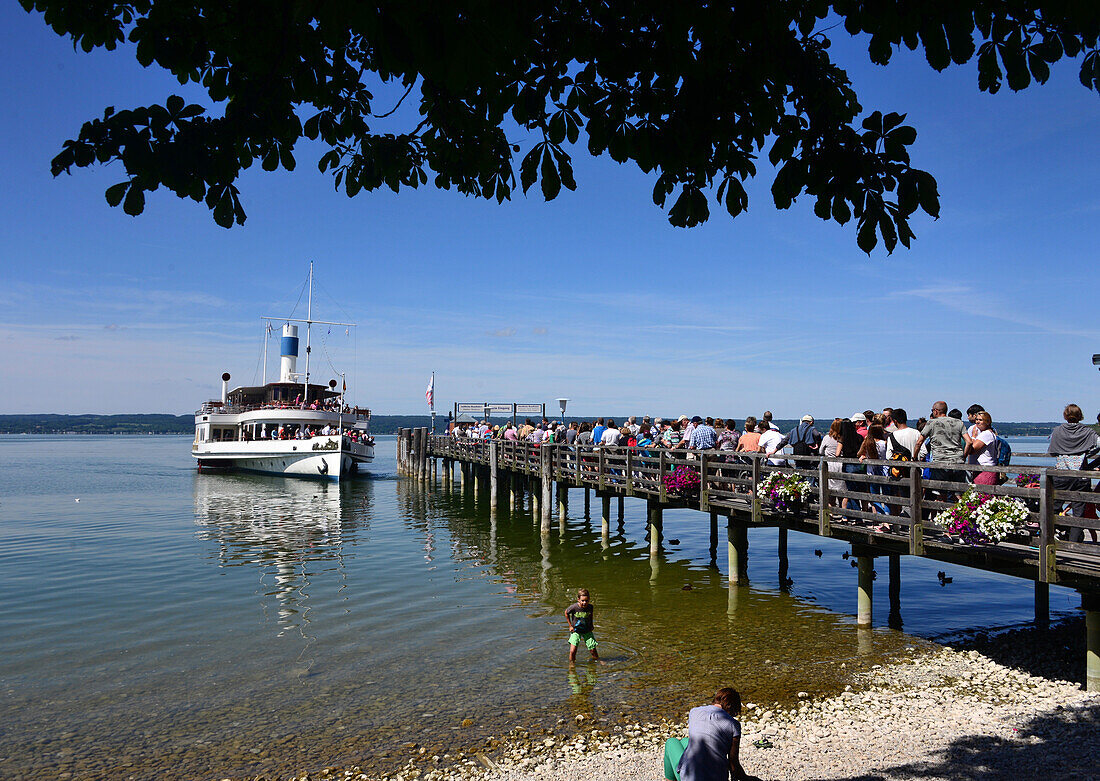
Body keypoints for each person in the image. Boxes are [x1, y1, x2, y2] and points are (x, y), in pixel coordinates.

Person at [663, 687, 757, 781]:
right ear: (731, 707)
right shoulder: (734, 725)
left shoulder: (694, 712)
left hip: (691, 777)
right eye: (734, 713)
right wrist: (746, 778)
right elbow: (733, 764)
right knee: (685, 741)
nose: (733, 716)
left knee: (671, 741)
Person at [1048, 403, 1100, 542]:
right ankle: (1073, 543)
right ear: (1080, 415)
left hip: (1062, 474)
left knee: (1055, 507)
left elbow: (1053, 452)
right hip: (1080, 476)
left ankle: (1049, 537)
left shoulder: (1058, 431)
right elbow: (1098, 443)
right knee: (1078, 512)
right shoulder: (1088, 431)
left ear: (1065, 415)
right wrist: (1088, 452)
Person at [914, 401, 972, 491]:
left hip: (940, 462)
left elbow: (919, 442)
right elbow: (969, 442)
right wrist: (963, 456)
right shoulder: (959, 422)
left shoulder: (931, 423)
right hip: (958, 462)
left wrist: (914, 457)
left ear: (936, 411)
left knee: (940, 494)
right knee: (957, 493)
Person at [964, 411, 999, 485]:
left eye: (980, 420)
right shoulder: (991, 433)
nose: (977, 422)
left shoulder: (986, 434)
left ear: (987, 422)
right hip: (989, 468)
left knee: (980, 493)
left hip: (985, 469)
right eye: (976, 420)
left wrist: (973, 436)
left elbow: (972, 450)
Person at [566, 588, 599, 663]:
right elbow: (566, 612)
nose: (584, 603)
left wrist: (591, 624)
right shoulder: (574, 607)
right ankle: (572, 665)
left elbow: (591, 615)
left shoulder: (590, 607)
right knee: (573, 650)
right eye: (582, 601)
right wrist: (570, 625)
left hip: (587, 629)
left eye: (586, 600)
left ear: (589, 599)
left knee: (593, 649)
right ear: (578, 599)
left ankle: (597, 661)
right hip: (576, 630)